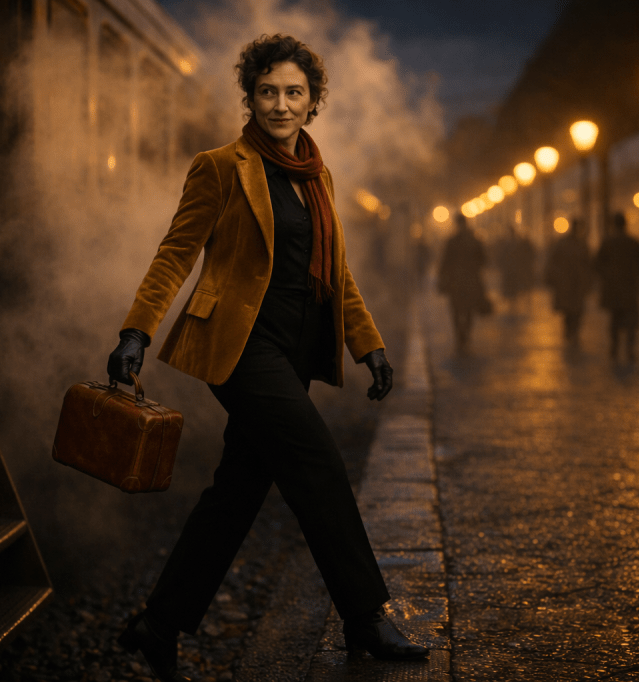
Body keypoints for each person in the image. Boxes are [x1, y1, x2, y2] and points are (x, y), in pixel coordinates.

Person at [106, 34, 427, 681]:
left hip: (293, 347)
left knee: (239, 491)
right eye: (268, 92)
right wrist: (137, 329)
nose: (280, 104)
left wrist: (368, 342)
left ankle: (157, 624)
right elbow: (177, 252)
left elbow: (337, 270)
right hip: (241, 348)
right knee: (318, 466)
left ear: (313, 103)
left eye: (294, 93)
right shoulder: (221, 166)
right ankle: (365, 617)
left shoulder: (318, 173)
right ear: (250, 98)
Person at [595, 213, 639, 362]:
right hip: (630, 288)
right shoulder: (633, 242)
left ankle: (615, 349)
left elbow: (598, 264)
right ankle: (630, 350)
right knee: (631, 321)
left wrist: (607, 277)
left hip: (613, 289)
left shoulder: (608, 242)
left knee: (615, 320)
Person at [437, 214, 489, 353]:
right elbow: (484, 260)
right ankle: (466, 335)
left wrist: (442, 280)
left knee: (455, 309)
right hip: (471, 281)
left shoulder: (451, 241)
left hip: (455, 282)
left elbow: (444, 263)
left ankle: (460, 336)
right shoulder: (475, 240)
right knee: (469, 309)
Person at [544, 218, 593, 344]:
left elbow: (588, 264)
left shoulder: (576, 244)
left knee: (575, 310)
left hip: (573, 283)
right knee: (571, 310)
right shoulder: (578, 244)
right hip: (569, 282)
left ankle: (573, 332)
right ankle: (571, 331)